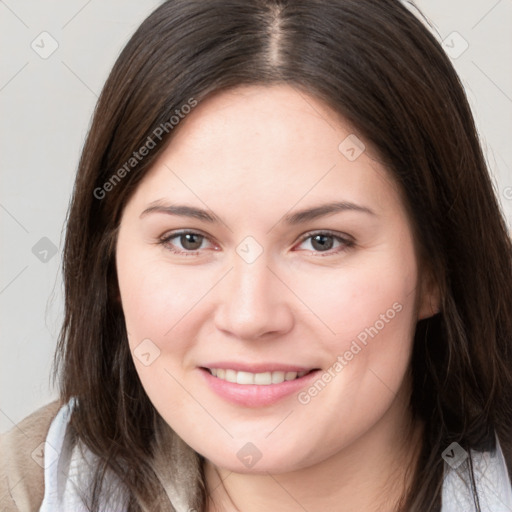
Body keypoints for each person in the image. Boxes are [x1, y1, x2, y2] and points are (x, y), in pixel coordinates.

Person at [1, 0, 511, 511]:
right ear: (110, 266)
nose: (249, 317)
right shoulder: (26, 486)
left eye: (322, 241)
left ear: (436, 270)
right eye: (189, 240)